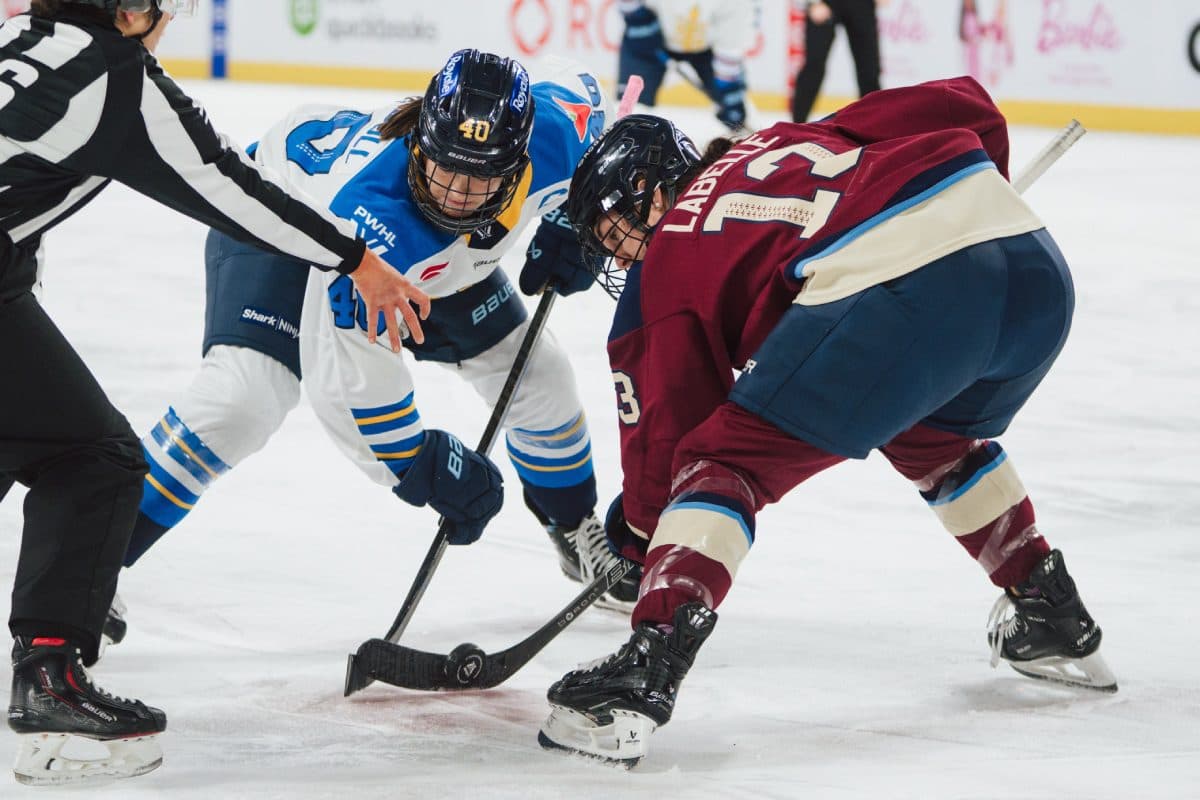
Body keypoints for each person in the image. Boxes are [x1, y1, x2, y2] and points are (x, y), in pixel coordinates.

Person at [537, 76, 1117, 767]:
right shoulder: (781, 139)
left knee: (722, 464)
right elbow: (970, 105)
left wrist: (637, 537)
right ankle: (1050, 610)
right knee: (930, 435)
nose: (621, 255)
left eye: (616, 232)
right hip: (1035, 272)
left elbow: (671, 439)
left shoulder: (666, 254)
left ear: (652, 193)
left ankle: (640, 678)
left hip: (912, 296)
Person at [0, 0, 431, 786]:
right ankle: (50, 684)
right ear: (131, 13)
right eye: (164, 9)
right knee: (91, 458)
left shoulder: (17, 37)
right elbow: (229, 187)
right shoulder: (116, 77)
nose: (169, 24)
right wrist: (352, 257)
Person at [108, 49, 642, 637]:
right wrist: (419, 465)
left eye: (482, 176)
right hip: (293, 234)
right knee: (244, 400)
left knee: (539, 376)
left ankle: (573, 527)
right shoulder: (376, 225)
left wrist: (574, 217)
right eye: (447, 170)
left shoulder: (551, 133)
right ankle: (90, 562)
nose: (460, 195)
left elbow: (589, 103)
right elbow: (347, 390)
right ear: (421, 143)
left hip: (446, 264)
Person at [617, 0, 757, 132]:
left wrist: (729, 89)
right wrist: (636, 17)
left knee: (738, 109)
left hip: (706, 48)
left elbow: (730, 42)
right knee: (631, 111)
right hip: (649, 35)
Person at [790, 0, 882, 122]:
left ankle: (873, 124)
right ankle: (797, 125)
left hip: (861, 4)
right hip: (824, 3)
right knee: (814, 65)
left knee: (869, 69)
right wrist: (812, 3)